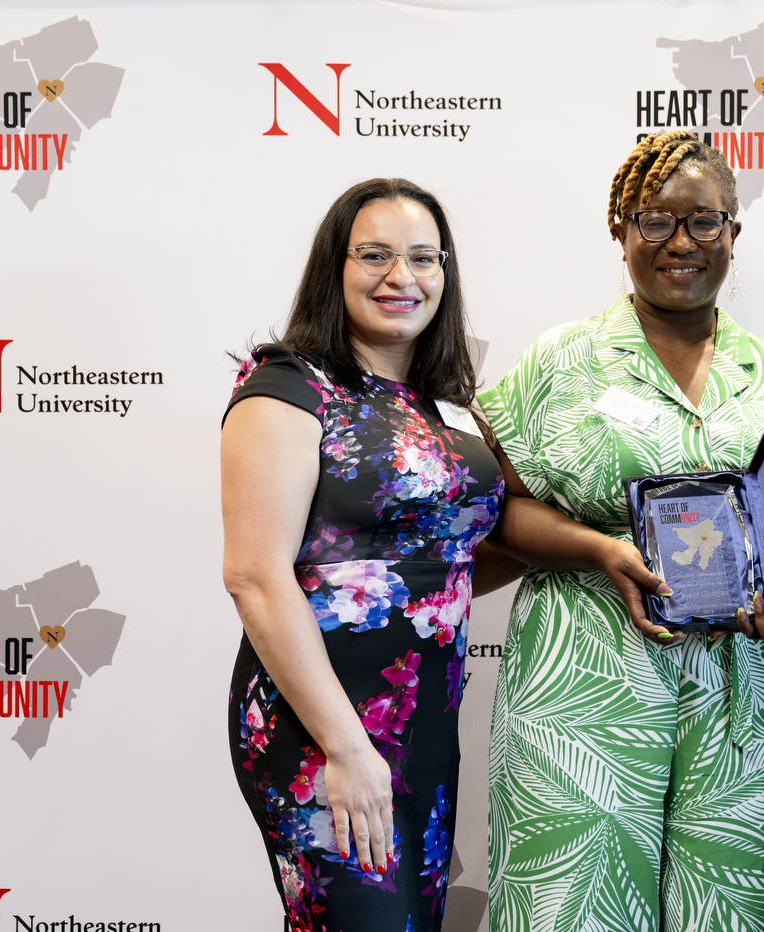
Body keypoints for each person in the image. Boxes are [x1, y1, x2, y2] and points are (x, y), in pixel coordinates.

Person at [479, 130, 764, 932]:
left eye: (704, 222)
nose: (680, 242)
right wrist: (599, 547)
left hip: (752, 697)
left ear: (734, 235)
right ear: (620, 231)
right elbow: (498, 509)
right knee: (572, 908)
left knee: (738, 911)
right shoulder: (559, 362)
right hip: (584, 685)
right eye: (654, 220)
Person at [221, 178, 521, 932]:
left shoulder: (441, 401)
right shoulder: (287, 386)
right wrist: (347, 749)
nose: (401, 277)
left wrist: (586, 549)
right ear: (337, 266)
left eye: (423, 257)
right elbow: (256, 577)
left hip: (424, 725)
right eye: (376, 255)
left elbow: (442, 565)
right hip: (322, 726)